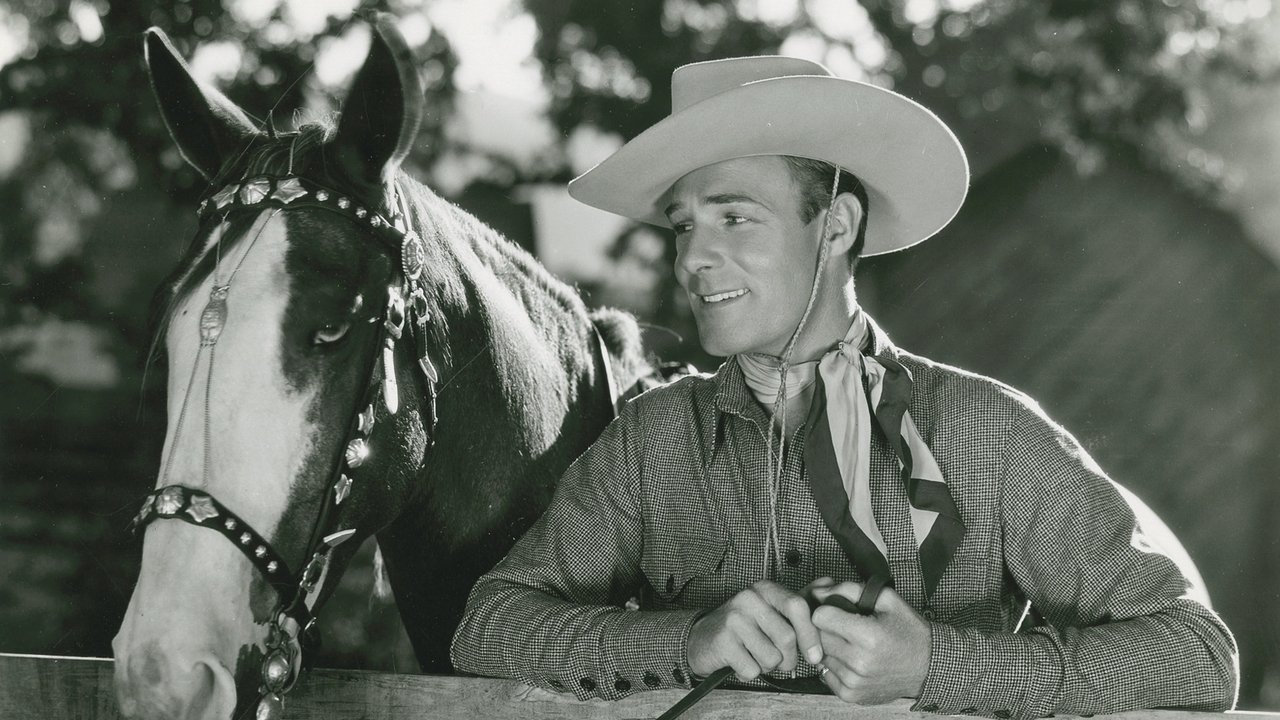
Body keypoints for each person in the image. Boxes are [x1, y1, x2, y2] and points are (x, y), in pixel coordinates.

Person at [449, 56, 1238, 717]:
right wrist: (685, 640)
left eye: (734, 218)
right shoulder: (651, 442)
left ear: (835, 227)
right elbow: (487, 628)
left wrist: (938, 666)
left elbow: (1197, 655)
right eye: (684, 224)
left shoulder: (986, 433)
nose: (691, 258)